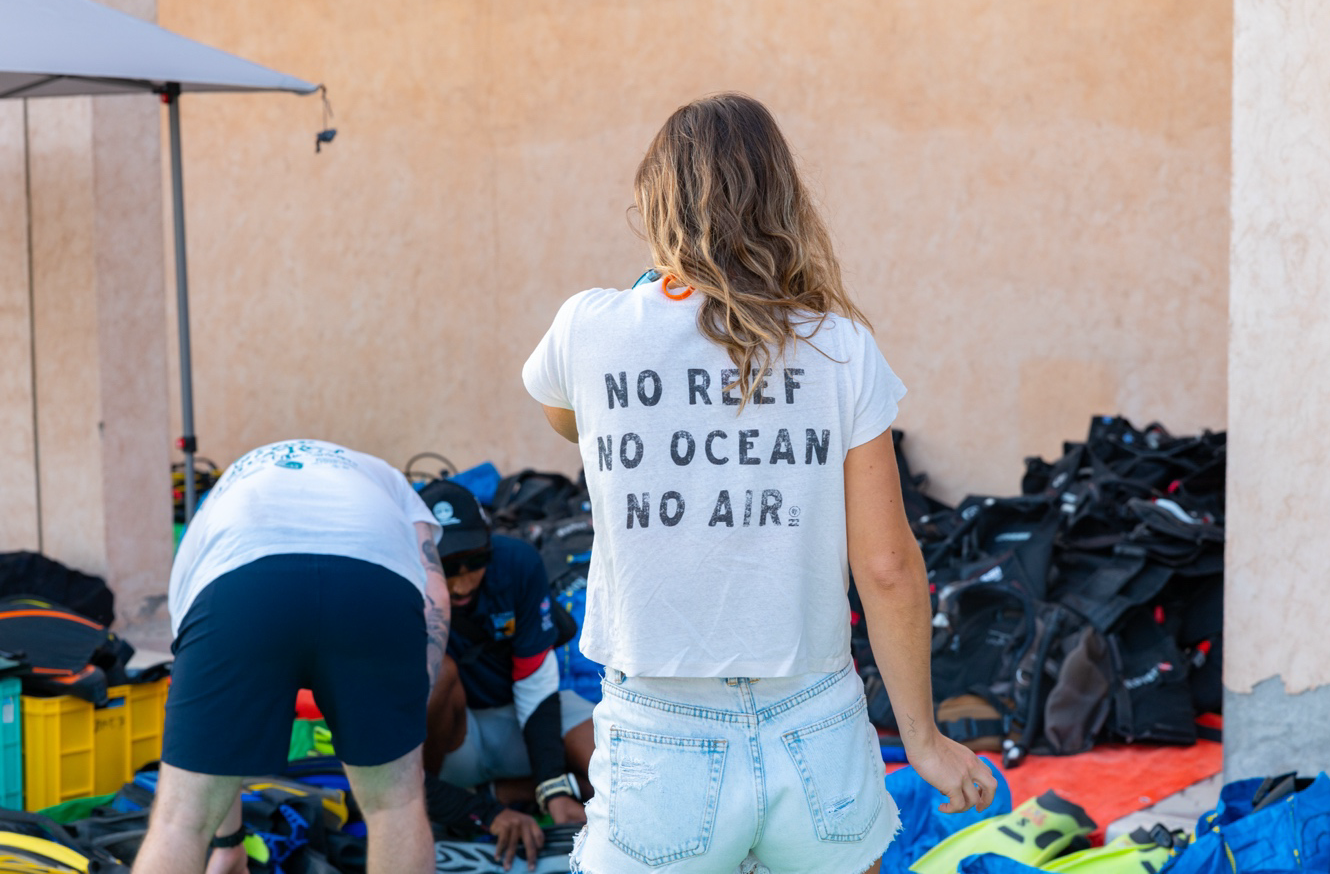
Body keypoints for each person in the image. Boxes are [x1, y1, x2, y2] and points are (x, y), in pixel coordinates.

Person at [521, 93, 998, 874]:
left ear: (654, 201)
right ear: (783, 202)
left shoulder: (589, 328)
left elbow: (567, 420)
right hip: (815, 723)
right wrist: (923, 739)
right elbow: (886, 567)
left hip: (661, 730)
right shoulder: (839, 347)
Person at [133, 440, 449, 874]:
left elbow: (215, 744)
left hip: (241, 585)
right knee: (396, 805)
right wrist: (405, 708)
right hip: (370, 583)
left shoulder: (226, 489)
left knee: (180, 821)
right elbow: (436, 595)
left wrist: (226, 842)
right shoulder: (390, 480)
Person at [417, 481, 595, 834]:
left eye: (476, 560)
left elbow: (535, 682)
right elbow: (392, 729)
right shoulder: (398, 586)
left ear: (490, 543)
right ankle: (428, 805)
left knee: (626, 767)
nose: (463, 584)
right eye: (446, 567)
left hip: (523, 719)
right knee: (437, 674)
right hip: (453, 738)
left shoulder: (517, 562)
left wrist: (553, 787)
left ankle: (510, 791)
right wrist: (477, 812)